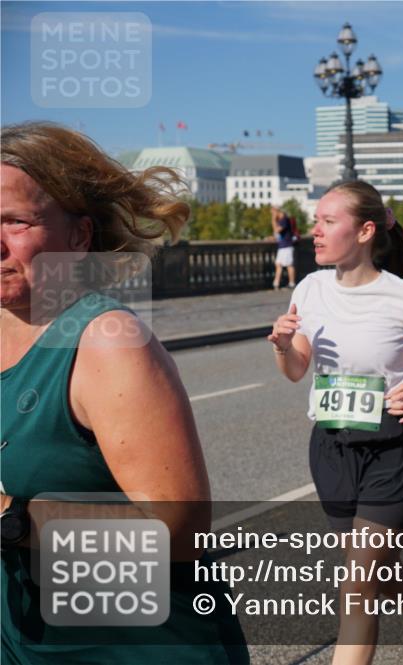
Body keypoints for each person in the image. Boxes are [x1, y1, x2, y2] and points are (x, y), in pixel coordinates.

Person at [1, 122, 248, 663]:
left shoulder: (107, 343)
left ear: (80, 237)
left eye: (15, 222)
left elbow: (179, 533)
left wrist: (12, 519)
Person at [268, 180, 403, 665]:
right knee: (378, 572)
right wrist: (280, 345)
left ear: (364, 231)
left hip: (391, 450)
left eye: (328, 222)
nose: (315, 231)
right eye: (316, 221)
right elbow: (296, 371)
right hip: (331, 450)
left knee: (357, 586)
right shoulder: (310, 288)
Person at [272, 207, 297, 289]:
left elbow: (276, 230)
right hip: (283, 246)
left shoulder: (284, 220)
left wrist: (273, 219)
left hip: (286, 246)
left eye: (273, 212)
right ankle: (276, 283)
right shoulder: (282, 220)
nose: (272, 214)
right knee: (278, 264)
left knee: (289, 265)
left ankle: (292, 283)